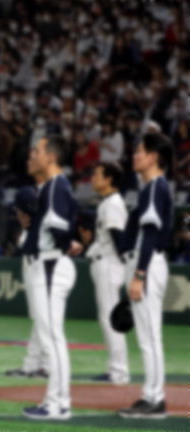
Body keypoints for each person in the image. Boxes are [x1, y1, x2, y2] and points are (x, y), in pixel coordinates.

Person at [21, 135, 81, 420]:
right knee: (50, 337)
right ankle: (55, 400)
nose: (32, 155)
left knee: (52, 338)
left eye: (38, 151)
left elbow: (59, 229)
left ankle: (58, 403)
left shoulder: (56, 185)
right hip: (49, 263)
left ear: (51, 157)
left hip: (51, 265)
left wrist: (68, 241)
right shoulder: (53, 186)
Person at [117, 133, 174, 419]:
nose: (135, 155)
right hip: (146, 263)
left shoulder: (154, 187)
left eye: (140, 151)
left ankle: (155, 398)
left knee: (150, 336)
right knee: (147, 336)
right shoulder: (152, 187)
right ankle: (150, 394)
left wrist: (139, 274)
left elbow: (150, 233)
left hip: (148, 264)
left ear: (153, 157)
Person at [87, 162, 130, 384]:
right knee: (107, 318)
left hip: (110, 264)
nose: (93, 178)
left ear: (109, 179)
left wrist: (126, 264)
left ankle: (119, 371)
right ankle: (116, 369)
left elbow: (119, 239)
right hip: (107, 263)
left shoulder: (112, 204)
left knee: (111, 319)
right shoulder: (109, 203)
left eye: (97, 174)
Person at [6, 185, 50, 379]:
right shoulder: (30, 230)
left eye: (19, 211)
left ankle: (47, 365)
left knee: (44, 318)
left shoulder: (39, 227)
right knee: (38, 319)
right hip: (33, 267)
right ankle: (31, 364)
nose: (17, 215)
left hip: (41, 268)